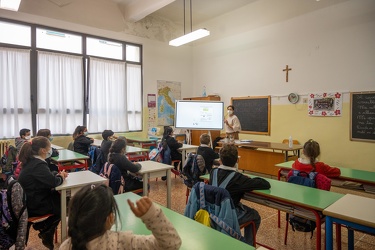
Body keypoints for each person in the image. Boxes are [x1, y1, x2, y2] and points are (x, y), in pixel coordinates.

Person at [59, 184, 182, 250]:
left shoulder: (66, 246)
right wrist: (153, 216)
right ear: (110, 218)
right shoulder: (122, 242)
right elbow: (172, 244)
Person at [209, 144, 270, 246]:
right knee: (255, 215)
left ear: (220, 160)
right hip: (227, 216)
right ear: (237, 160)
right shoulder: (239, 179)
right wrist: (245, 178)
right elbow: (265, 184)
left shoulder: (213, 172)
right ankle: (248, 246)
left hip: (212, 213)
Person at [18, 136, 68, 249]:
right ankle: (44, 228)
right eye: (49, 147)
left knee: (59, 199)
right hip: (34, 205)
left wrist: (57, 175)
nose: (51, 150)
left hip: (29, 199)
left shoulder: (33, 160)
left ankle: (46, 229)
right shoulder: (38, 164)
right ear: (43, 150)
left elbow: (47, 176)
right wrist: (61, 177)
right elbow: (53, 182)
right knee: (63, 206)